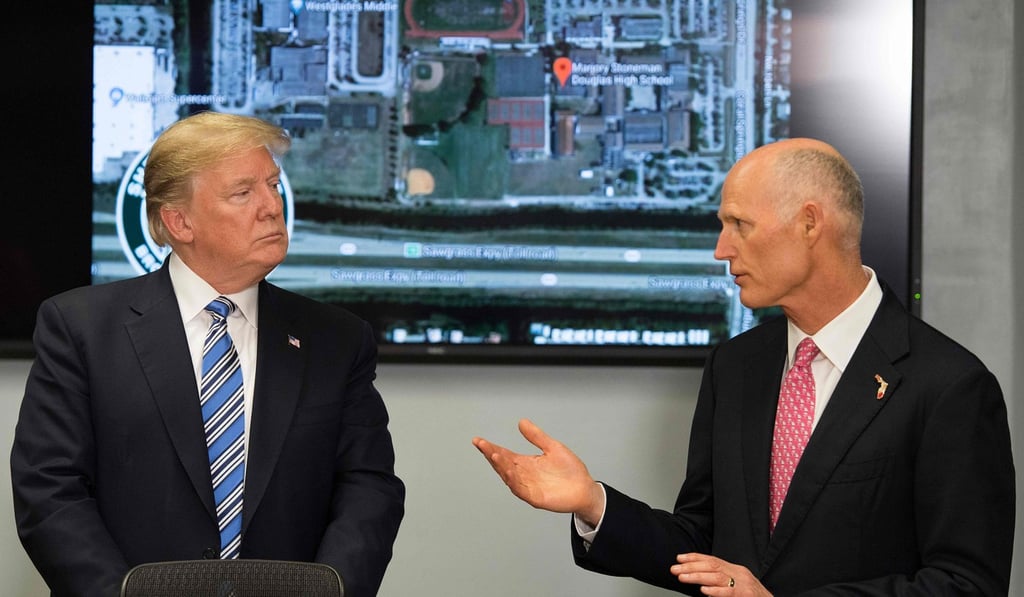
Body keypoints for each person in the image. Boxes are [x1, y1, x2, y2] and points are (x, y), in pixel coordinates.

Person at [472, 138, 1015, 595]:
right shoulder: (735, 366)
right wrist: (595, 504)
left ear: (809, 224)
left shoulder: (949, 386)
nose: (721, 249)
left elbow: (966, 584)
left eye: (739, 224)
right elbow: (704, 546)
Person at [11, 111, 406, 597]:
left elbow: (369, 489)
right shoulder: (81, 329)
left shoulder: (337, 339)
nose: (272, 206)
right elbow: (50, 490)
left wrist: (327, 591)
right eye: (243, 193)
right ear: (180, 221)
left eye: (272, 185)